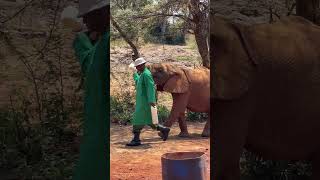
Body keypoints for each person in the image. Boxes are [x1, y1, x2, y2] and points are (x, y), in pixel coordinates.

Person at [72, 0, 109, 179]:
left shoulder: (107, 42)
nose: (85, 21)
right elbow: (91, 64)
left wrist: (81, 38)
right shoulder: (104, 42)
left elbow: (90, 66)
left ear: (103, 12)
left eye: (88, 16)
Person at [127, 57, 170, 146]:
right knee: (151, 121)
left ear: (142, 65)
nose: (137, 68)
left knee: (137, 120)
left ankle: (136, 140)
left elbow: (150, 87)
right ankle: (164, 129)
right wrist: (135, 74)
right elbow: (138, 82)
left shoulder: (146, 74)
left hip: (145, 103)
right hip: (142, 102)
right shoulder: (143, 74)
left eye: (138, 66)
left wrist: (151, 100)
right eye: (136, 67)